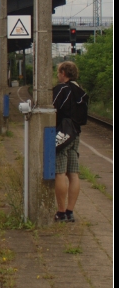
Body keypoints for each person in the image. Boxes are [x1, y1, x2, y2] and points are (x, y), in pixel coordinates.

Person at [52, 60, 88, 223]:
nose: (58, 75)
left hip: (61, 134)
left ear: (64, 73)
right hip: (75, 134)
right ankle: (70, 211)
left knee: (59, 172)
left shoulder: (61, 89)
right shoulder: (81, 92)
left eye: (59, 72)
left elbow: (52, 108)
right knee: (73, 173)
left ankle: (60, 212)